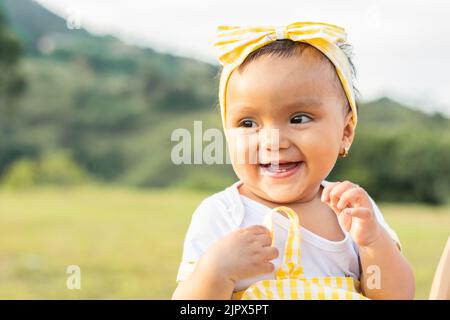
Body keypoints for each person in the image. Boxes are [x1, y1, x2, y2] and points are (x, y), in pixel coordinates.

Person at [172, 21, 415, 300]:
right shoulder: (222, 214)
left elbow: (396, 296)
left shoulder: (351, 212)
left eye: (298, 119)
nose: (273, 141)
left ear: (345, 132)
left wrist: (373, 243)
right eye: (248, 123)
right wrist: (215, 271)